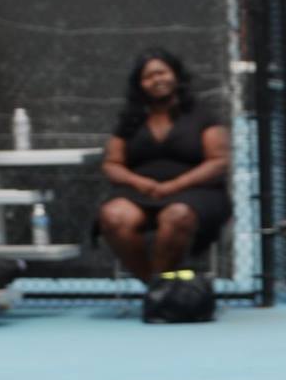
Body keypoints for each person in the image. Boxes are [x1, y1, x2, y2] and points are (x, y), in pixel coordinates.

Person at [94, 48, 233, 284]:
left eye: (162, 73)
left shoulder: (202, 116)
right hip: (140, 192)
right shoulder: (130, 121)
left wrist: (175, 185)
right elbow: (112, 164)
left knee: (177, 215)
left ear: (176, 76)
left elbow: (218, 162)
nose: (156, 80)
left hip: (197, 192)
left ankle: (159, 287)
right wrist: (140, 183)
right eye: (148, 76)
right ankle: (155, 286)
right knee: (113, 216)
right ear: (140, 85)